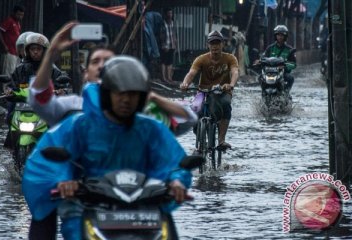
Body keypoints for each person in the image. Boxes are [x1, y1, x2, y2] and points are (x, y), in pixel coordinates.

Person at [22, 56, 192, 240]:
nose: (126, 100)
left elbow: (174, 161)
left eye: (133, 94)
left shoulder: (152, 128)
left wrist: (177, 181)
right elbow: (51, 158)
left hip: (146, 209)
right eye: (120, 93)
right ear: (107, 94)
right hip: (89, 205)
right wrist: (64, 181)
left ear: (142, 97)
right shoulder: (80, 125)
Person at [29, 22, 197, 132]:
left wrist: (153, 98)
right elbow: (39, 99)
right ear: (85, 73)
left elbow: (188, 117)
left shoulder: (136, 108)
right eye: (95, 62)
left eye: (108, 61)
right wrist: (50, 54)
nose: (102, 66)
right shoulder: (72, 107)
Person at [180, 30, 239, 149]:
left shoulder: (230, 58)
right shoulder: (201, 59)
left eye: (217, 43)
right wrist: (185, 83)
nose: (215, 46)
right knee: (195, 110)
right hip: (203, 91)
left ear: (222, 44)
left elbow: (235, 72)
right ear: (208, 45)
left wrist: (231, 84)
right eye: (212, 43)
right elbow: (191, 73)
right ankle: (200, 138)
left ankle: (221, 140)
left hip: (222, 91)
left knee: (226, 105)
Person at [262, 25, 297, 91]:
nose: (280, 37)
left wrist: (284, 66)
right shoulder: (270, 48)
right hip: (270, 72)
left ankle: (286, 93)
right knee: (260, 77)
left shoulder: (289, 50)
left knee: (290, 78)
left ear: (285, 37)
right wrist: (259, 61)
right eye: (278, 35)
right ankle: (263, 93)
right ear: (275, 36)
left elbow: (294, 64)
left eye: (282, 35)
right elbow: (263, 58)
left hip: (282, 73)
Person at [0, 4, 25, 79]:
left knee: (14, 72)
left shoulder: (18, 23)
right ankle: (6, 90)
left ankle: (11, 90)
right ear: (14, 13)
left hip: (15, 52)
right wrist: (4, 45)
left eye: (22, 15)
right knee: (8, 73)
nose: (20, 17)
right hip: (9, 51)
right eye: (18, 14)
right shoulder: (9, 20)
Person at [159, 8, 178, 83]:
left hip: (172, 45)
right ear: (166, 15)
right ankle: (164, 78)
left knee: (170, 62)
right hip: (165, 46)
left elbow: (174, 35)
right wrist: (163, 45)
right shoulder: (163, 23)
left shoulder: (173, 23)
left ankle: (169, 77)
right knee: (164, 61)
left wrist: (175, 44)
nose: (170, 15)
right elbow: (161, 35)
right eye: (168, 13)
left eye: (171, 13)